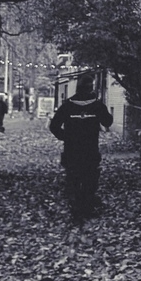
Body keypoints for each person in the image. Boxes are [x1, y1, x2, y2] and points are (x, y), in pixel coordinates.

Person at [49, 71, 113, 226]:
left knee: (74, 177)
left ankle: (76, 208)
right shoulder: (97, 106)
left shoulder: (68, 106)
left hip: (72, 149)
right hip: (90, 149)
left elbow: (54, 126)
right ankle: (87, 206)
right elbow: (108, 122)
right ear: (91, 88)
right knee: (90, 178)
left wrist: (66, 136)